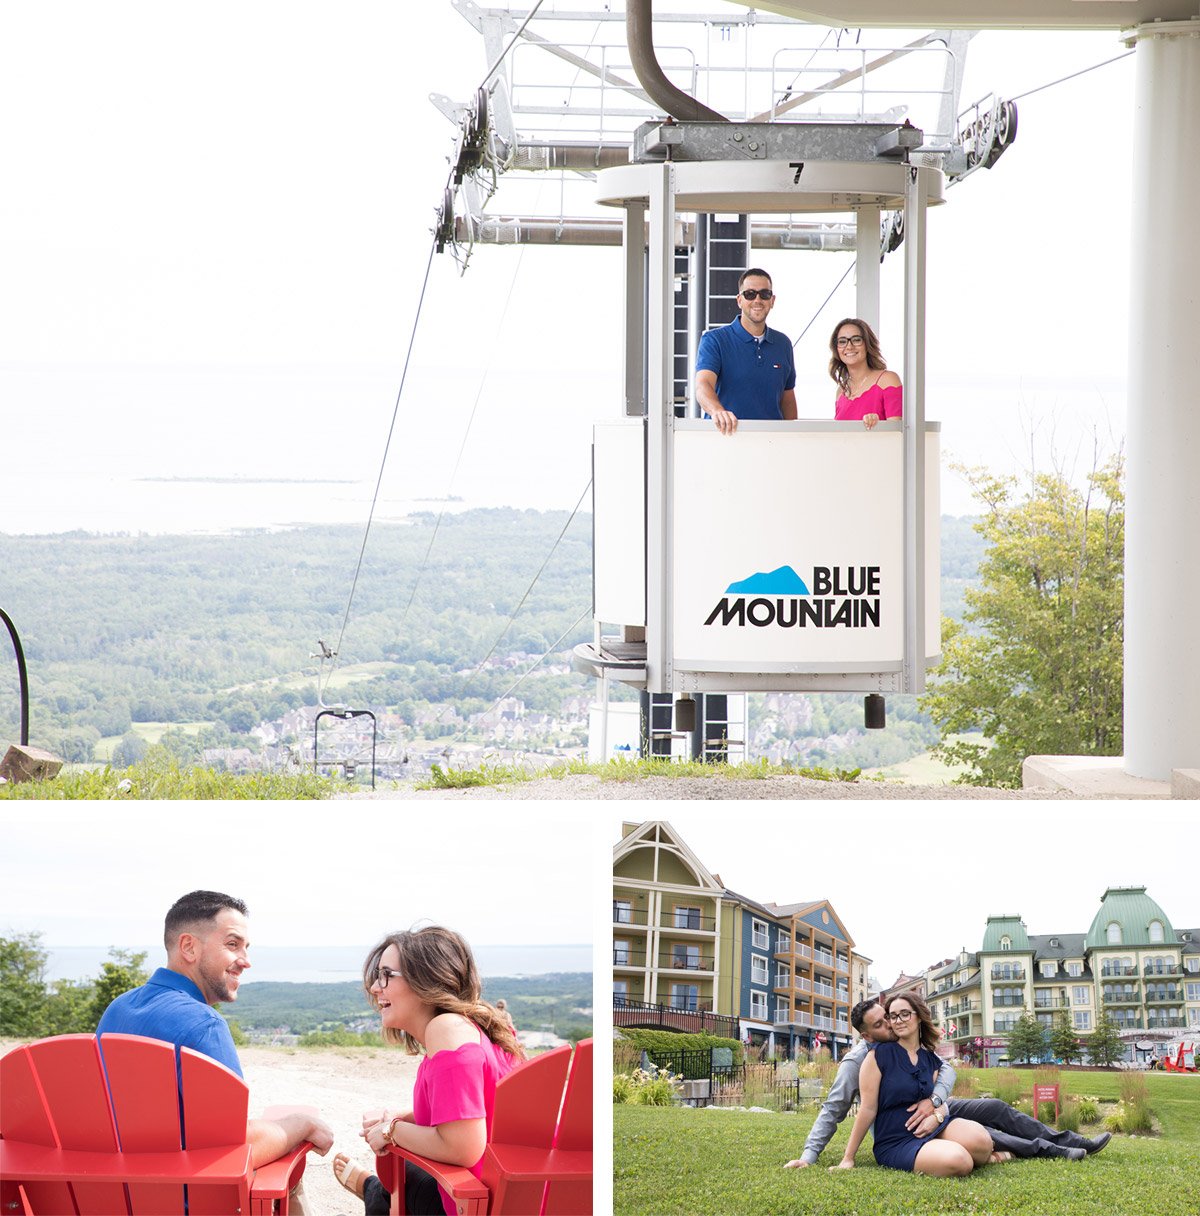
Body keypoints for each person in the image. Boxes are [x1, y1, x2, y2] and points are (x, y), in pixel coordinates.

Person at [96, 890, 335, 1171]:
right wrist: (300, 1123)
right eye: (233, 944)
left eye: (246, 948)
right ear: (189, 947)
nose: (245, 960)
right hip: (182, 1198)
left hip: (117, 1194)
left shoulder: (118, 1008)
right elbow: (234, 1151)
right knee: (287, 1161)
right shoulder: (204, 1025)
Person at [784, 996, 1110, 1169]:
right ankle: (1052, 1151)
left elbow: (947, 1071)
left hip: (934, 1106)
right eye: (882, 1023)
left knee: (995, 1107)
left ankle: (1073, 1140)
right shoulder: (859, 1062)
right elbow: (834, 1109)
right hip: (904, 1125)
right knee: (986, 1135)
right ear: (868, 1034)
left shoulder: (906, 1043)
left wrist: (937, 1102)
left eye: (891, 1015)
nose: (892, 1023)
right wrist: (810, 1155)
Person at [332, 925, 524, 1216]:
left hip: (473, 1202)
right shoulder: (468, 1028)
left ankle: (372, 1190)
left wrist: (390, 1131)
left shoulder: (446, 1029)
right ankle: (373, 1191)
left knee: (398, 1179)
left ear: (425, 982)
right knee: (401, 1178)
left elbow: (463, 1147)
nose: (375, 988)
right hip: (499, 1194)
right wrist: (402, 1117)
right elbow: (474, 1113)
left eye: (386, 975)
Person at [833, 992, 993, 1176]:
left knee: (982, 1141)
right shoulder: (877, 1056)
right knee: (959, 1160)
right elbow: (867, 1109)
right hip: (896, 1140)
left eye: (904, 1014)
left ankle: (985, 1154)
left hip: (933, 1126)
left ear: (918, 1016)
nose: (898, 1020)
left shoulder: (930, 1058)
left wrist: (937, 1117)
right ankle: (953, 1154)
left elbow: (936, 1099)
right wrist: (848, 1157)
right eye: (893, 1016)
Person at [695, 268, 797, 434]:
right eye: (750, 294)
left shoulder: (783, 343)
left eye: (764, 294)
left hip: (771, 445)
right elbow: (703, 385)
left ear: (772, 300)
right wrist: (717, 411)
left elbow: (787, 398)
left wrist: (793, 437)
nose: (757, 299)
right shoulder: (715, 340)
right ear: (739, 300)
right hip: (727, 440)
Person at [829, 317, 902, 429]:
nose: (849, 346)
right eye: (842, 341)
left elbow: (897, 432)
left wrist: (878, 425)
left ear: (867, 344)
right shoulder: (841, 391)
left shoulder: (888, 380)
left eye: (856, 340)